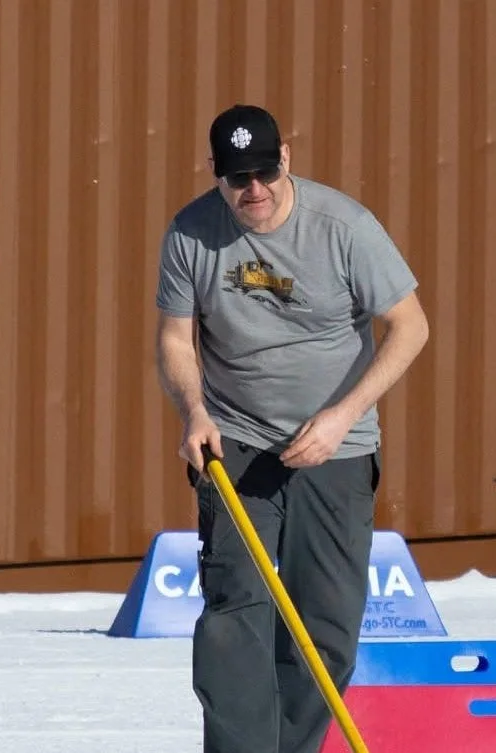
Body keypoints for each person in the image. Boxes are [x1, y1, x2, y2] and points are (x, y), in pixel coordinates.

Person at [153, 103, 428, 753]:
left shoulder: (344, 227)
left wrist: (343, 415)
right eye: (238, 177)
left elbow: (410, 326)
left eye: (266, 172)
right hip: (236, 440)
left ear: (289, 158)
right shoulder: (191, 232)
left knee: (325, 626)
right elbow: (174, 339)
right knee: (233, 615)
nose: (255, 190)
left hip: (335, 446)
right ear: (215, 174)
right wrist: (194, 410)